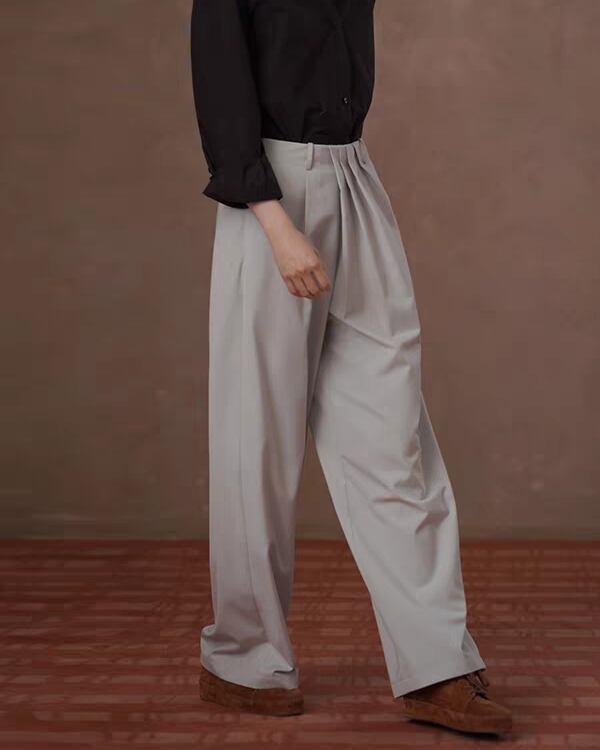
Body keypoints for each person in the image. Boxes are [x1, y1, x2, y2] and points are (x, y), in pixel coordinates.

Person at [190, 0, 512, 737]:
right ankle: (243, 659)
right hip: (269, 192)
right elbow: (221, 83)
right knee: (256, 443)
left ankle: (434, 663)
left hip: (355, 173)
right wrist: (273, 221)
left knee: (393, 434)